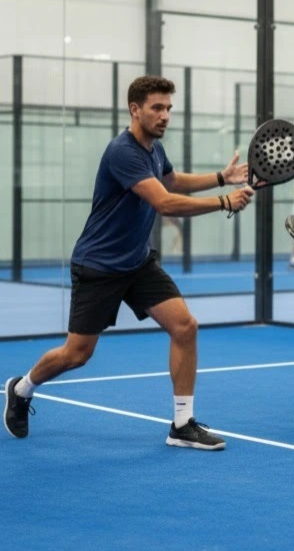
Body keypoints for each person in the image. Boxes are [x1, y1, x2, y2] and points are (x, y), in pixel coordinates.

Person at [3, 76, 254, 450]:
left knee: (185, 327)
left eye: (169, 108)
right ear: (135, 110)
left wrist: (221, 177)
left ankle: (182, 425)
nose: (165, 115)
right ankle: (21, 389)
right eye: (157, 107)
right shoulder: (123, 151)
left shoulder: (153, 150)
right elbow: (165, 202)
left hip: (137, 264)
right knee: (77, 355)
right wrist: (224, 201)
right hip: (99, 266)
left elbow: (172, 181)